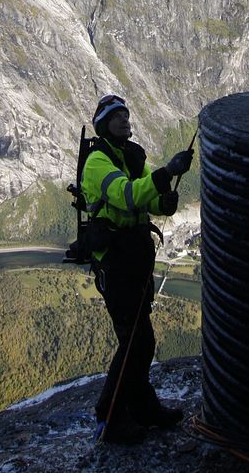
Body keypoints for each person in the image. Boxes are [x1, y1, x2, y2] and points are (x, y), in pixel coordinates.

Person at [81, 93, 194, 445]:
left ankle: (144, 409)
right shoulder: (98, 162)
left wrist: (167, 201)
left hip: (135, 258)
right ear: (103, 125)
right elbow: (127, 195)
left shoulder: (133, 157)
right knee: (136, 342)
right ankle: (110, 417)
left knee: (139, 341)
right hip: (116, 263)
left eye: (127, 116)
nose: (125, 121)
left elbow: (150, 199)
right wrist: (168, 172)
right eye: (117, 117)